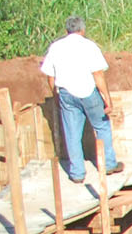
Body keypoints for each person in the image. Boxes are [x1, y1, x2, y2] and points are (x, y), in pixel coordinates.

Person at [39, 15, 122, 185]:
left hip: (66, 94)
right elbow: (98, 74)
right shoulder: (89, 46)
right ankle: (109, 165)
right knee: (102, 126)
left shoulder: (56, 47)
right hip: (89, 92)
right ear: (82, 30)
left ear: (66, 31)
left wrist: (56, 96)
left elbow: (50, 77)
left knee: (72, 133)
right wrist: (107, 98)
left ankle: (77, 173)